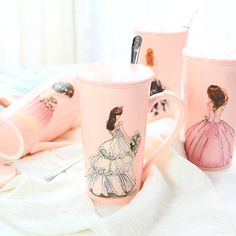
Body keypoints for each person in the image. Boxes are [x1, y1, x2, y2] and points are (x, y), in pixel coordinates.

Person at [87, 106, 141, 198]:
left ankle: (111, 188)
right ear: (116, 115)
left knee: (113, 166)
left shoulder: (109, 123)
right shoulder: (119, 123)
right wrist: (131, 141)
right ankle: (116, 188)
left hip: (114, 144)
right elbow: (124, 135)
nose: (119, 116)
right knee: (116, 166)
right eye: (119, 114)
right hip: (119, 143)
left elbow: (114, 133)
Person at [185, 85, 235, 170]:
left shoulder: (209, 104)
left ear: (212, 95)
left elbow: (211, 119)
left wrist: (206, 118)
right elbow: (216, 118)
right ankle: (217, 160)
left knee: (204, 143)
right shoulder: (222, 105)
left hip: (210, 124)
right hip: (219, 124)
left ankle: (206, 160)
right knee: (219, 144)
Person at [145, 48, 168, 116]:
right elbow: (156, 72)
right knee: (154, 97)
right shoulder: (151, 61)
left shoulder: (152, 61)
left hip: (152, 81)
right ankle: (154, 110)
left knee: (154, 96)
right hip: (152, 81)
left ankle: (155, 110)